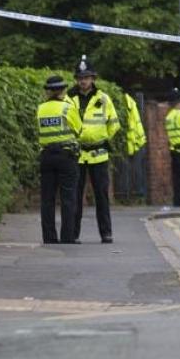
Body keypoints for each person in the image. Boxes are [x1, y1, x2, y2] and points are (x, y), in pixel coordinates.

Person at [68, 54, 121, 244]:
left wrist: (102, 137)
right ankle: (73, 234)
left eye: (86, 77)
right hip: (77, 153)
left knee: (101, 196)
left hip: (99, 154)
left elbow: (114, 123)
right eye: (80, 78)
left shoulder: (103, 98)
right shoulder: (69, 99)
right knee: (75, 196)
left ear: (93, 78)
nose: (83, 81)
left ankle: (106, 233)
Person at [36, 74, 82, 244]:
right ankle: (67, 237)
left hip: (46, 156)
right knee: (68, 198)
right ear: (62, 90)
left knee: (47, 199)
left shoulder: (40, 109)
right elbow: (79, 130)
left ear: (48, 91)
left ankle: (49, 237)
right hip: (65, 156)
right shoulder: (68, 108)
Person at [122, 90, 148, 202]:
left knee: (134, 171)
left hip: (134, 142)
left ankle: (135, 194)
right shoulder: (131, 103)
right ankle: (134, 194)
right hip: (135, 142)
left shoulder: (129, 104)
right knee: (134, 171)